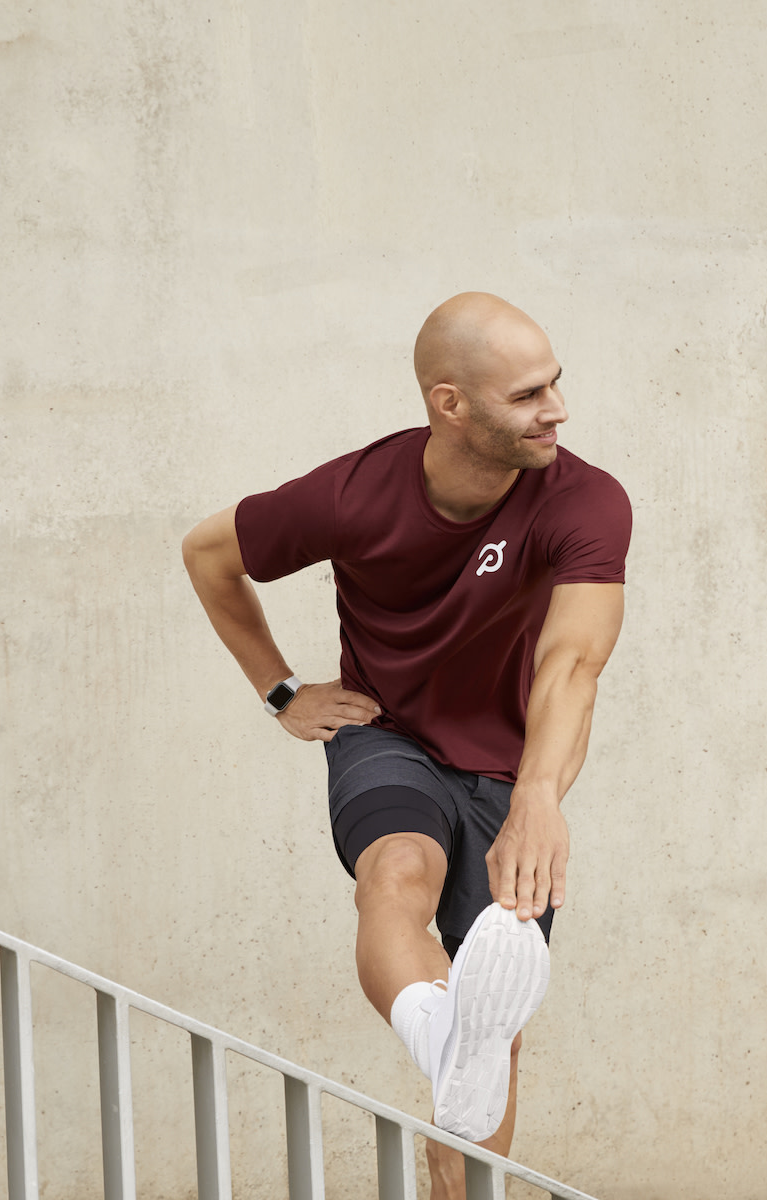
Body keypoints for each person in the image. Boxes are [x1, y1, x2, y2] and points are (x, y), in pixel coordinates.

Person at [181, 292, 629, 1196]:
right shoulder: (353, 496)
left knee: (489, 1042)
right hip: (388, 737)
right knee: (395, 875)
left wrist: (538, 797)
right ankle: (436, 1025)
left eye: (557, 384)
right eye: (528, 395)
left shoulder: (584, 499)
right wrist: (281, 690)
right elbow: (208, 553)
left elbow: (573, 663)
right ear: (450, 402)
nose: (557, 410)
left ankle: (456, 1115)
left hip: (513, 769)